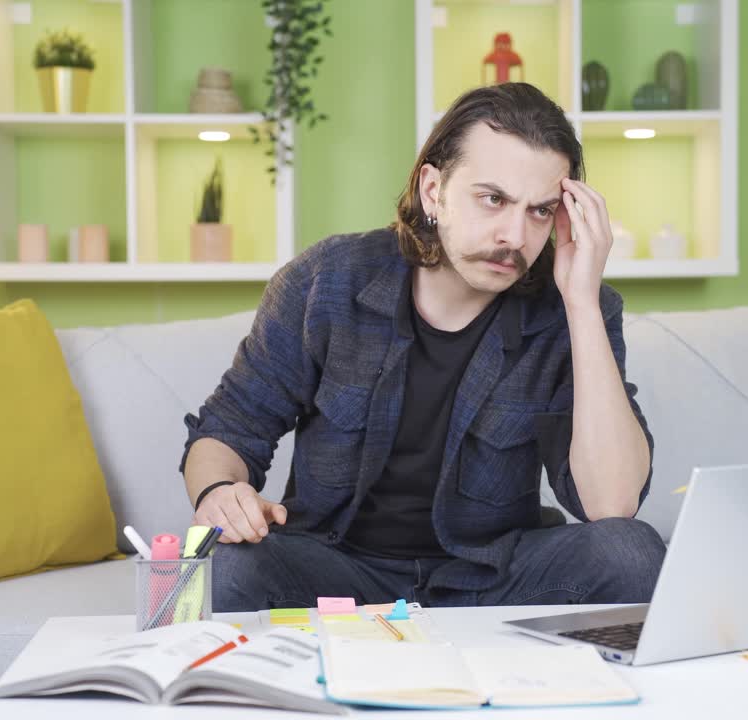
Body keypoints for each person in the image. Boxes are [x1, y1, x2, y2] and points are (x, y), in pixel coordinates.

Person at [181, 82, 665, 611]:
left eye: (540, 211)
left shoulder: (575, 310)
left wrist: (581, 303)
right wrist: (217, 495)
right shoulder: (328, 280)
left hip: (491, 576)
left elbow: (612, 504)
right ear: (433, 191)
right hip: (337, 570)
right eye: (493, 199)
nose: (515, 235)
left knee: (632, 553)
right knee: (227, 566)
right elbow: (228, 430)